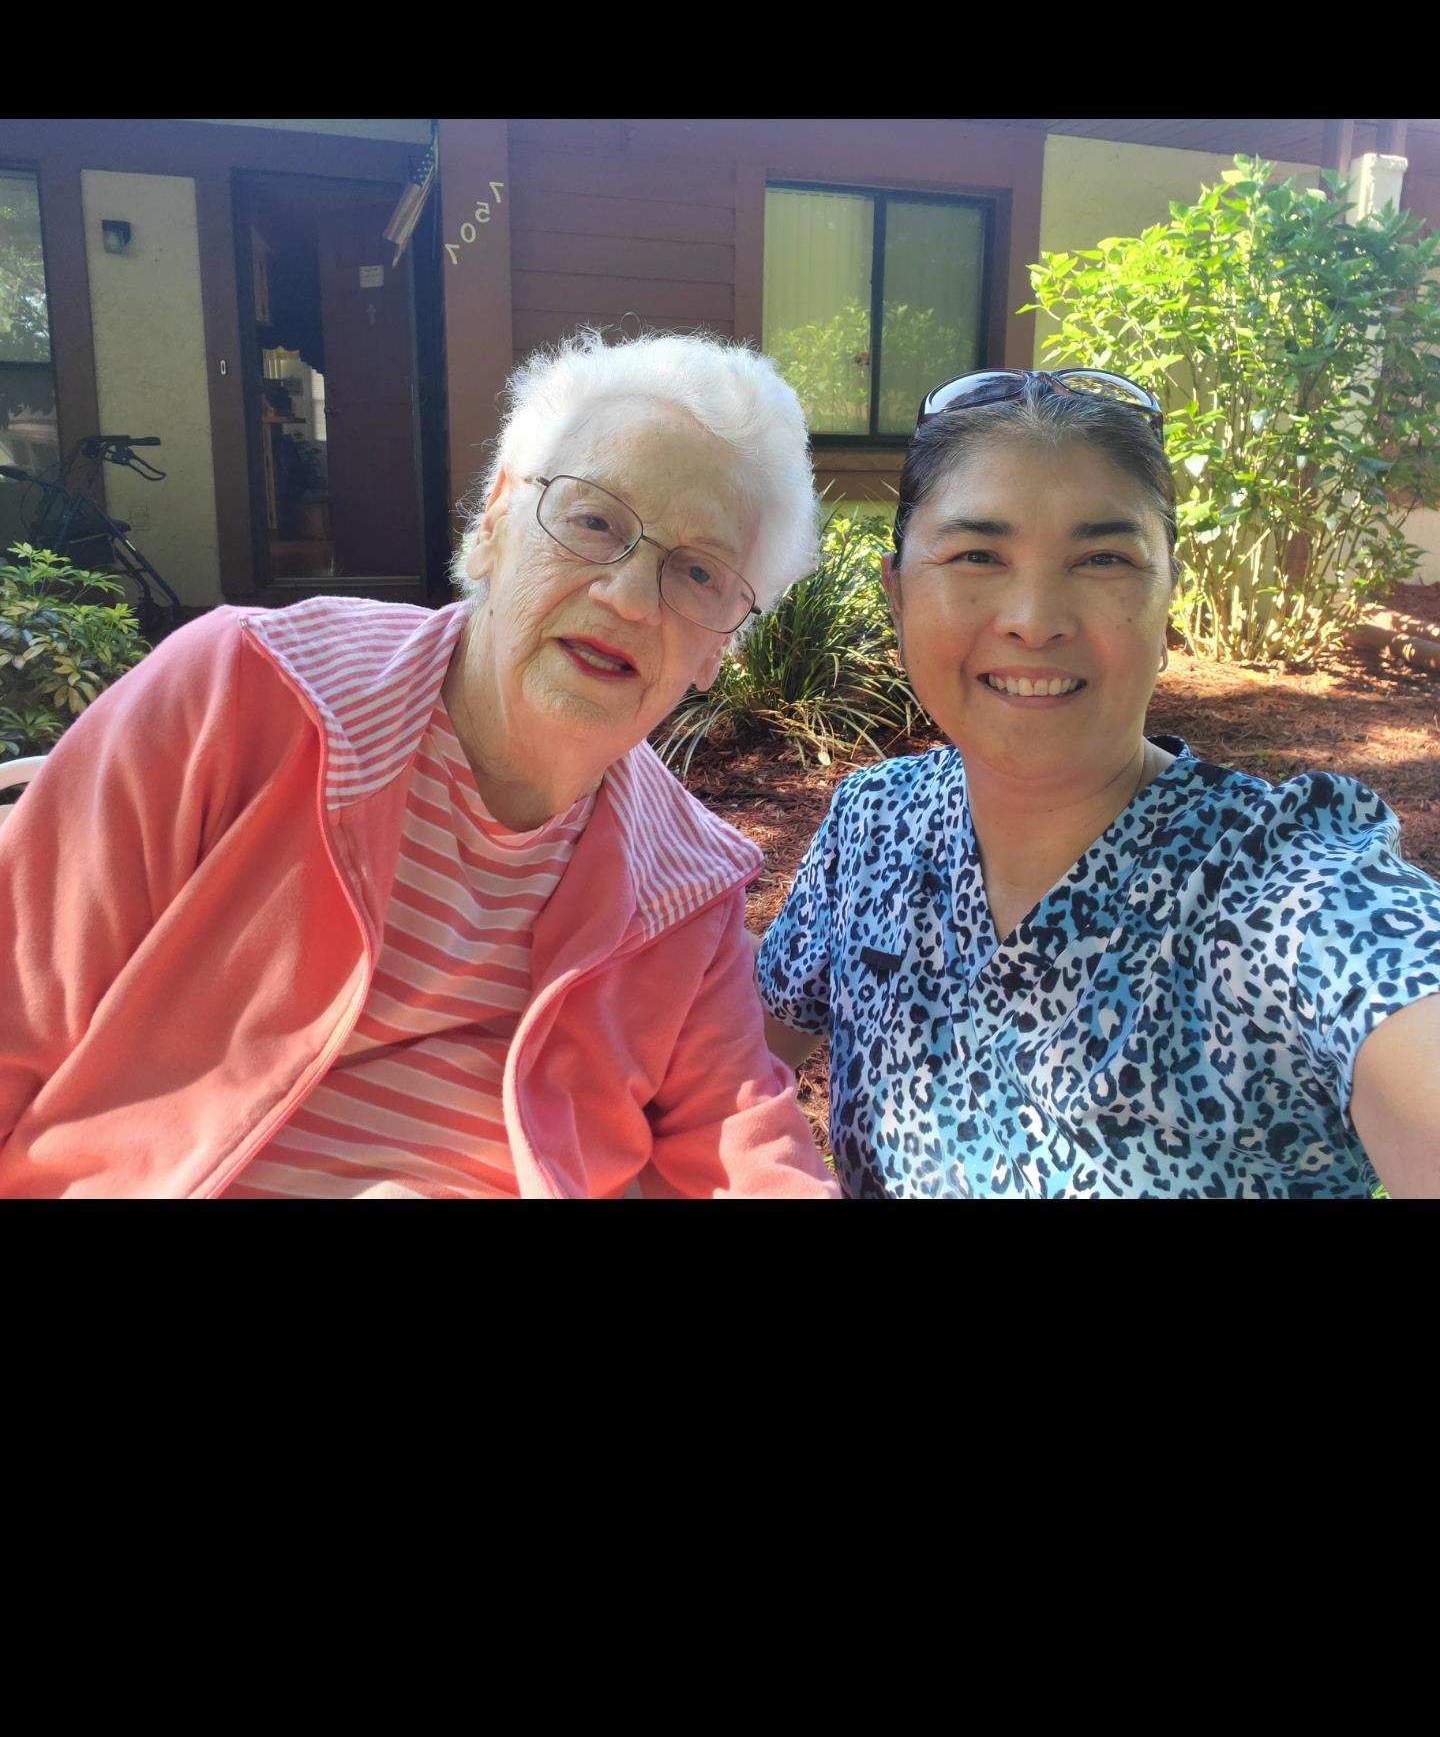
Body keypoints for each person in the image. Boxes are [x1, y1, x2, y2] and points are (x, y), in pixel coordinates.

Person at [0, 329, 837, 1199]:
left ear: (718, 650)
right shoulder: (245, 693)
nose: (628, 597)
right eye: (595, 521)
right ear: (497, 522)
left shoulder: (685, 888)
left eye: (698, 574)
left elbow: (748, 1146)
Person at [756, 368, 1440, 1199]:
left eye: (1103, 558)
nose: (1035, 617)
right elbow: (722, 1068)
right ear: (898, 597)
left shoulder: (1290, 892)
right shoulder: (874, 826)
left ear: (1167, 605)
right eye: (977, 554)